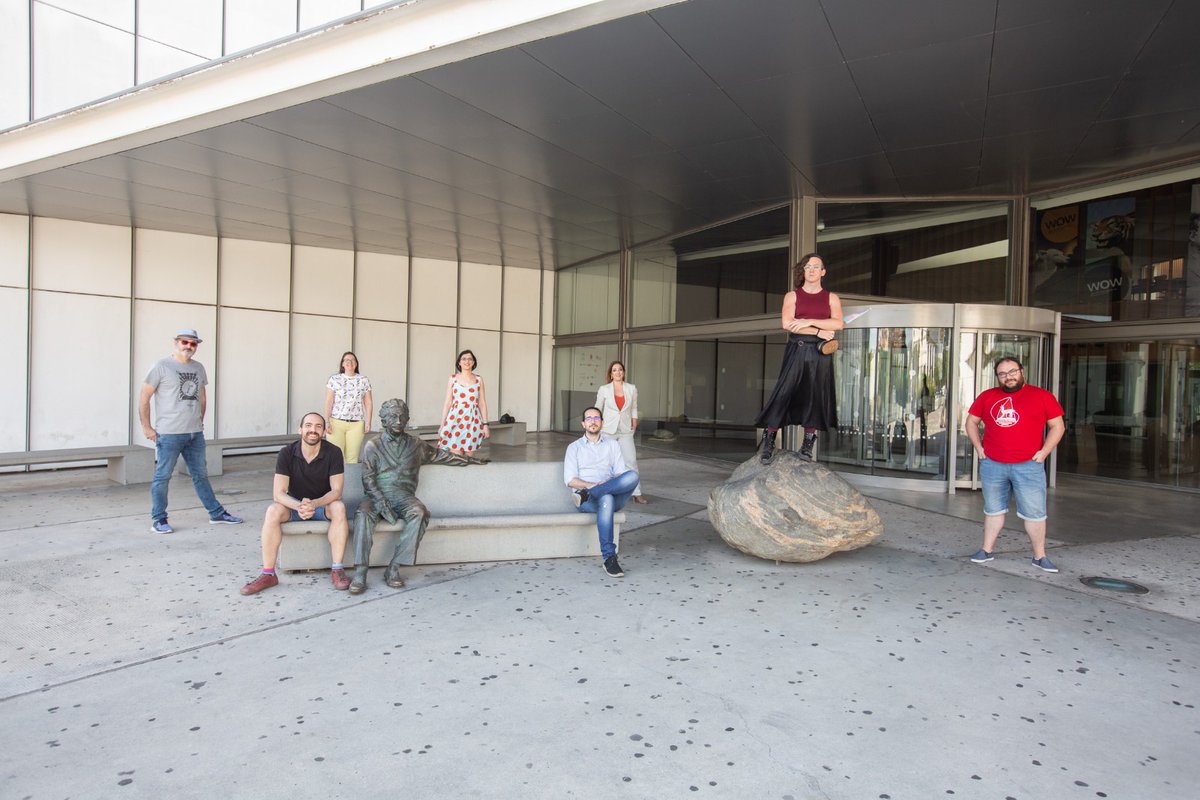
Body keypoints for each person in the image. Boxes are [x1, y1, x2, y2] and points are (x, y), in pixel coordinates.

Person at [349, 398, 487, 594]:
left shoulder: (416, 445)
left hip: (404, 497)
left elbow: (443, 455)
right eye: (393, 417)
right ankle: (360, 571)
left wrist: (470, 460)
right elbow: (367, 478)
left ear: (406, 419)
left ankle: (394, 567)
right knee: (362, 515)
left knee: (419, 511)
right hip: (375, 496)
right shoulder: (373, 445)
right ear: (384, 420)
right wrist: (381, 502)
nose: (398, 421)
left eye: (401, 417)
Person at [966, 357, 1066, 573]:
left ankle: (1040, 556)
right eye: (1002, 374)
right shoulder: (987, 396)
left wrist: (1044, 453)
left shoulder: (1041, 396)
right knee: (993, 510)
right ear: (998, 377)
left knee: (1035, 513)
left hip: (1028, 465)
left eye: (1012, 372)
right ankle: (986, 550)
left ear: (1021, 371)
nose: (1008, 377)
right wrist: (979, 448)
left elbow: (1057, 426)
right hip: (993, 463)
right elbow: (971, 422)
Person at [138, 328, 243, 534]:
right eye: (185, 342)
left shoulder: (198, 368)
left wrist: (200, 421)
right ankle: (159, 520)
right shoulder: (161, 366)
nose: (189, 347)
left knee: (201, 475)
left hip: (194, 434)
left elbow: (202, 398)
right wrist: (146, 427)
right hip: (169, 433)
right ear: (176, 343)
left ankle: (216, 513)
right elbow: (144, 397)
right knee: (163, 476)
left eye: (193, 344)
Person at [240, 413, 350, 595]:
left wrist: (314, 504)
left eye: (317, 426)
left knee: (339, 507)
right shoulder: (287, 453)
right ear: (300, 429)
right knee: (272, 511)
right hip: (294, 507)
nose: (312, 430)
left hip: (322, 505)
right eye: (308, 425)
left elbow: (336, 491)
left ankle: (337, 570)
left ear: (323, 431)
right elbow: (278, 493)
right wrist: (300, 506)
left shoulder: (334, 452)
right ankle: (268, 574)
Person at [754, 253, 843, 462]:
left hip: (820, 353)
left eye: (815, 266)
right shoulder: (792, 296)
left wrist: (806, 322)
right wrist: (819, 330)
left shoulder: (831, 298)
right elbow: (788, 324)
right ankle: (769, 441)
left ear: (823, 272)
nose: (811, 270)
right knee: (784, 393)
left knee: (814, 396)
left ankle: (807, 445)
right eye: (807, 267)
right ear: (803, 272)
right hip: (798, 348)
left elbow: (838, 324)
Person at [564, 406, 640, 578]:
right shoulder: (574, 448)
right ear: (583, 423)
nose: (593, 421)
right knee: (606, 497)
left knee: (633, 476)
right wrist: (592, 485)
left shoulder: (612, 445)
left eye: (597, 418)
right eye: (589, 418)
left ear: (602, 422)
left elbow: (621, 474)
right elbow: (570, 480)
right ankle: (609, 558)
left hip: (600, 494)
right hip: (586, 502)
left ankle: (594, 492)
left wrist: (598, 487)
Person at [594, 360, 647, 503]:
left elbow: (634, 406)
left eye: (620, 370)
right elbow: (598, 408)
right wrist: (596, 424)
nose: (618, 372)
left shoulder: (631, 388)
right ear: (611, 374)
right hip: (608, 430)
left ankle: (636, 492)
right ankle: (605, 491)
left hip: (625, 430)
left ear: (623, 373)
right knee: (607, 462)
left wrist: (634, 420)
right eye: (614, 370)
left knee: (631, 460)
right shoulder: (604, 389)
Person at [323, 351, 373, 464]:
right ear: (342, 364)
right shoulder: (334, 379)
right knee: (335, 457)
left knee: (352, 458)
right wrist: (326, 421)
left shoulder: (363, 380)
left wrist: (369, 421)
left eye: (352, 360)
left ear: (356, 364)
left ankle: (349, 482)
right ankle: (335, 482)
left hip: (356, 424)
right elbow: (329, 401)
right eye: (346, 360)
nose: (349, 362)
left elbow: (368, 402)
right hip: (336, 422)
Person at [438, 349, 490, 454]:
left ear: (474, 362)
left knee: (468, 458)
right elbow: (447, 403)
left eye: (470, 359)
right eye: (464, 359)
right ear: (459, 362)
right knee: (456, 457)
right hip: (455, 420)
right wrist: (442, 424)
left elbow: (482, 403)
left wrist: (485, 425)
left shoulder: (479, 380)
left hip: (473, 422)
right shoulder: (453, 379)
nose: (467, 361)